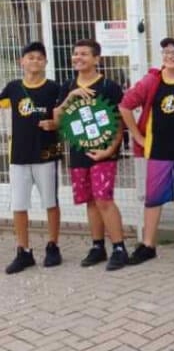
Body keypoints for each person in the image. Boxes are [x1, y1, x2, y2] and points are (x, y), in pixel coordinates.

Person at [119, 38, 174, 265]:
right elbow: (125, 106)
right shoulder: (151, 81)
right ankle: (148, 244)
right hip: (158, 151)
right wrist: (138, 137)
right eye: (166, 51)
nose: (170, 56)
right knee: (154, 199)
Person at [53, 39, 128, 271]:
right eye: (75, 54)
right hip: (78, 152)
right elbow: (57, 119)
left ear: (96, 59)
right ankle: (98, 247)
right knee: (90, 201)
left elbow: (120, 124)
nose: (78, 58)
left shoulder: (109, 87)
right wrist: (71, 97)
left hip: (103, 152)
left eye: (84, 54)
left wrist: (109, 149)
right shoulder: (67, 86)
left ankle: (119, 247)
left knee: (104, 198)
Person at [1, 42, 62, 274]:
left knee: (51, 202)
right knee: (18, 205)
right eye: (30, 57)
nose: (34, 61)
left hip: (46, 155)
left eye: (39, 58)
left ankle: (53, 246)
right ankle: (23, 250)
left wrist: (55, 123)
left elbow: (63, 117)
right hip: (18, 157)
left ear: (46, 62)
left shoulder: (54, 89)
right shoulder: (13, 88)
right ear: (21, 61)